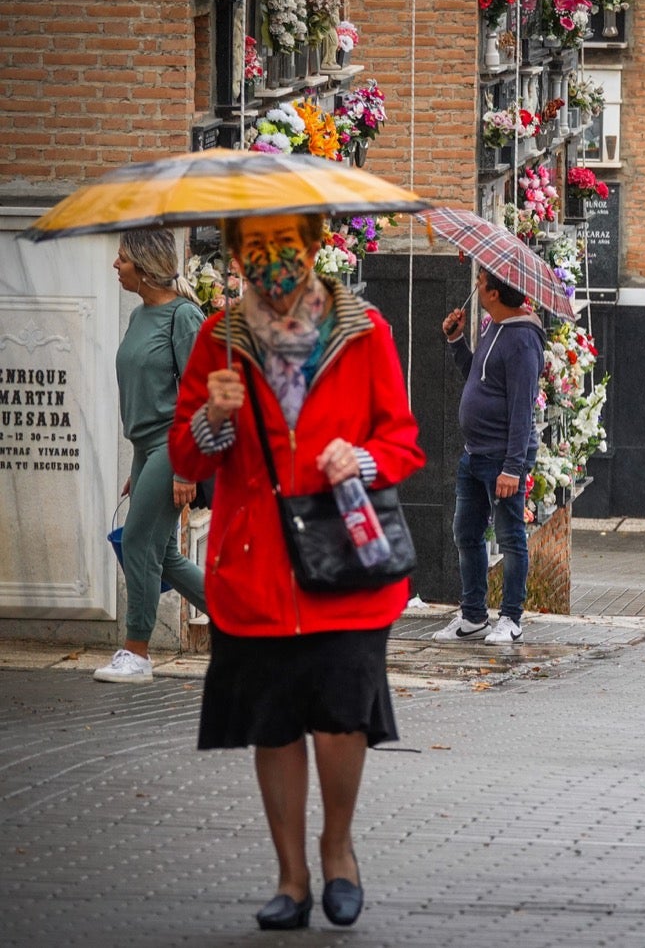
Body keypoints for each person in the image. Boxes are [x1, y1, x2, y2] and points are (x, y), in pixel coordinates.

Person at [169, 212, 425, 930]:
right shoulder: (218, 340)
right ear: (238, 257)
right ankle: (290, 877)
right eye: (255, 251)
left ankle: (337, 847)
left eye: (286, 248)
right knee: (273, 723)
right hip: (253, 569)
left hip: (344, 562)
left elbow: (401, 439)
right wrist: (211, 420)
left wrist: (360, 457)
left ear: (314, 248)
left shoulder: (365, 330)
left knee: (342, 718)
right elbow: (187, 461)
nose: (271, 266)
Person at [94, 228, 210, 683]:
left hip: (173, 444)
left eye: (122, 259)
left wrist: (185, 467)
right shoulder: (141, 316)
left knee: (140, 543)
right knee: (163, 557)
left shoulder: (184, 317)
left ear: (144, 267)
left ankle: (137, 652)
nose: (116, 266)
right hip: (147, 448)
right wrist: (138, 469)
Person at [432, 268, 546, 645]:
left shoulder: (523, 341)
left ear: (495, 294)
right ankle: (473, 616)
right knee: (466, 531)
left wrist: (513, 466)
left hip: (502, 459)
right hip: (474, 453)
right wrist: (457, 340)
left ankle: (511, 618)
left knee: (511, 537)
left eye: (481, 283)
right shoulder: (493, 326)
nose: (477, 287)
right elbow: (476, 377)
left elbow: (522, 410)